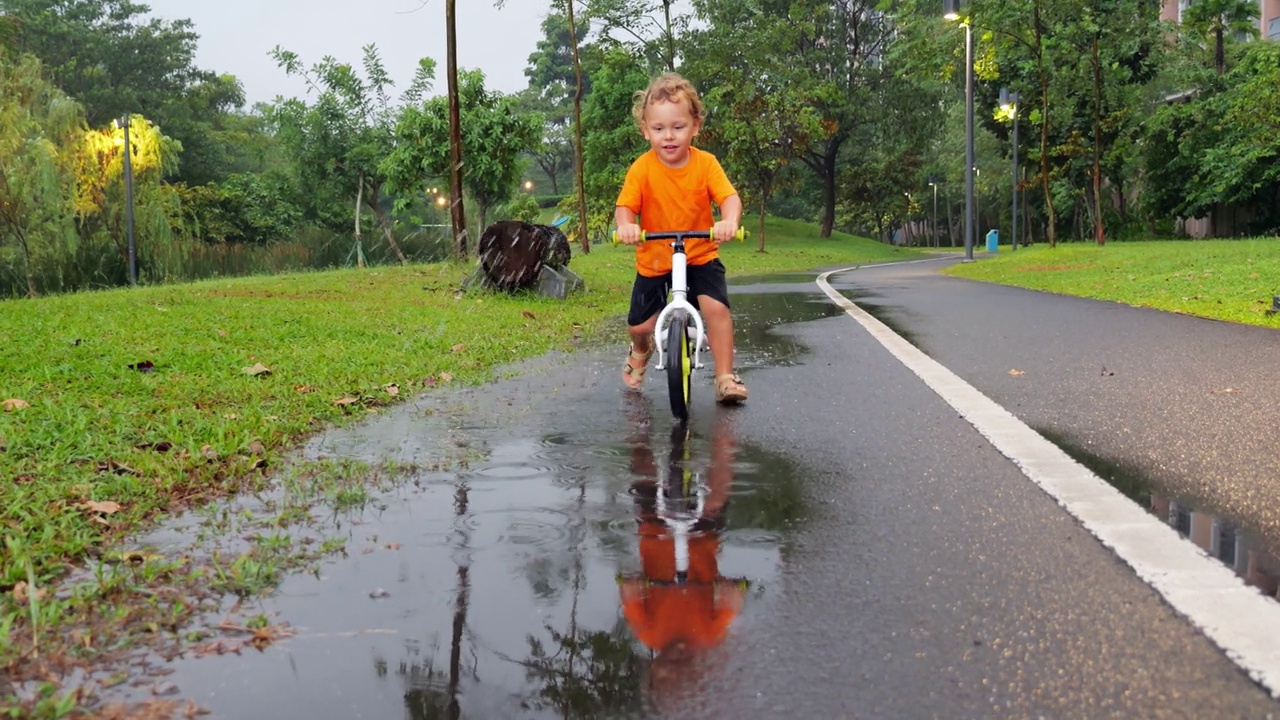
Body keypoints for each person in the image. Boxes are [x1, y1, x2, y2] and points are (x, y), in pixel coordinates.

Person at [615, 72, 748, 406]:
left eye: (678, 127)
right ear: (645, 130)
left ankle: (725, 377)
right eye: (658, 129)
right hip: (654, 260)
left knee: (716, 309)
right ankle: (641, 351)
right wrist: (628, 226)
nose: (668, 136)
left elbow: (728, 198)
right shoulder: (641, 169)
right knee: (640, 327)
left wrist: (729, 220)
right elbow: (625, 207)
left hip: (700, 254)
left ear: (695, 126)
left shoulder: (706, 164)